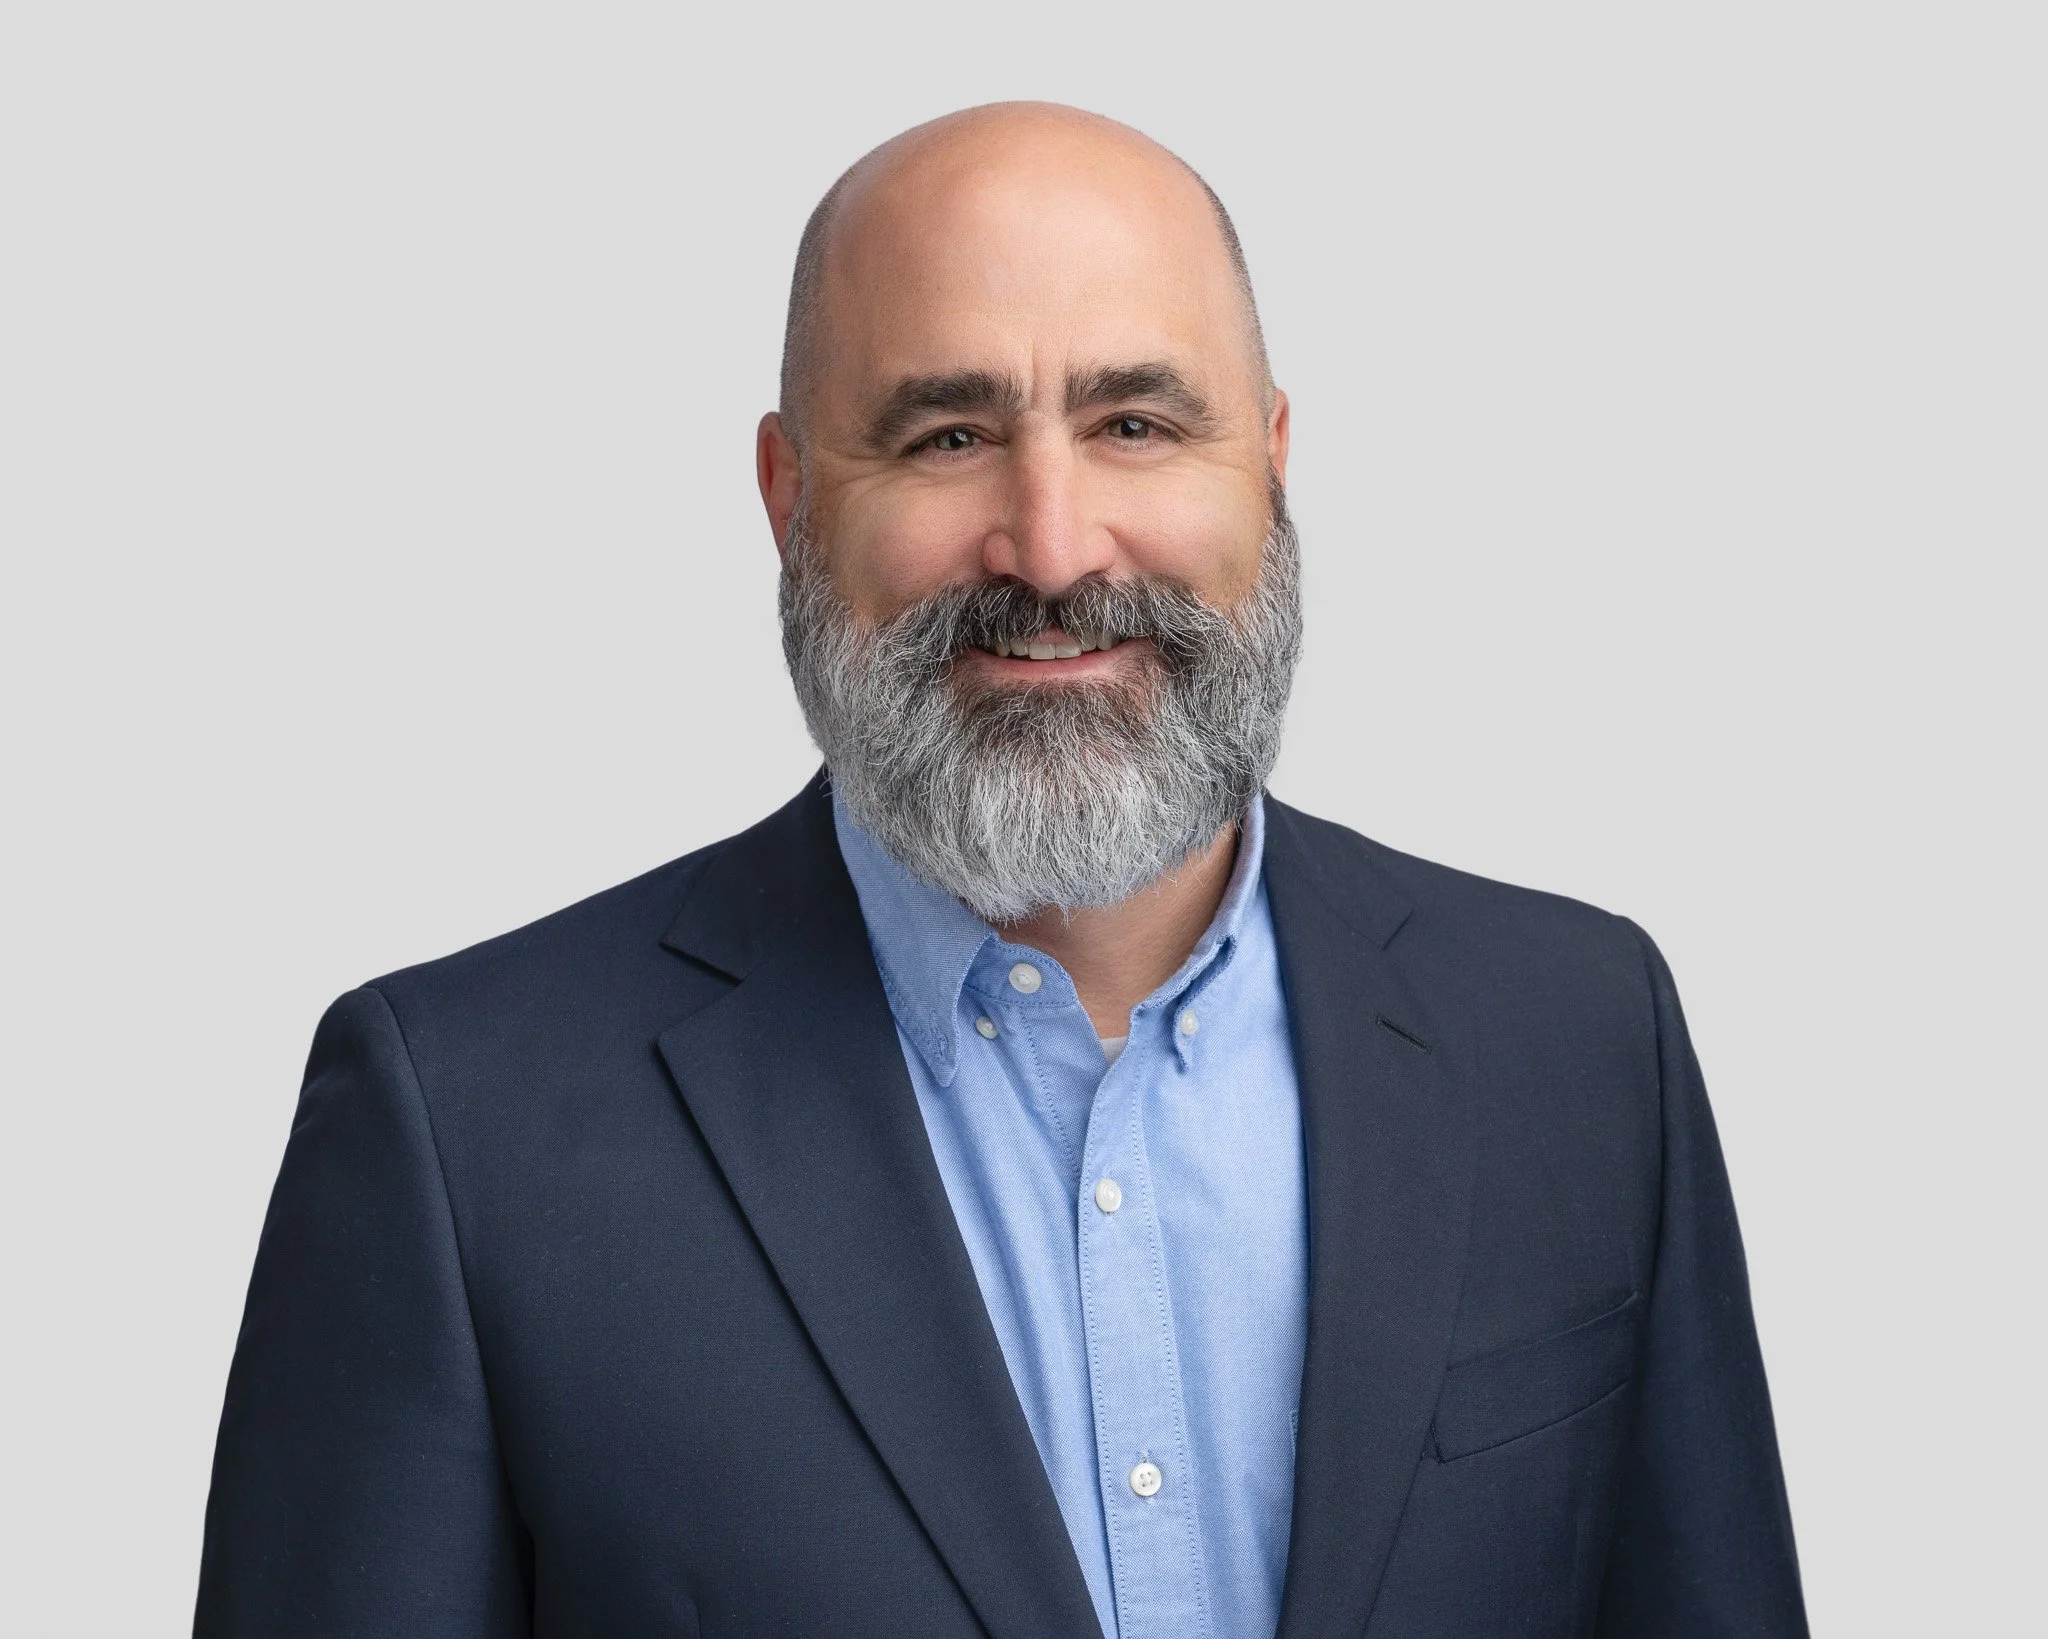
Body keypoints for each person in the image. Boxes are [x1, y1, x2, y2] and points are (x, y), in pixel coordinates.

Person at [194, 102, 1807, 1638]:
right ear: (790, 496)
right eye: (950, 433)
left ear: (1273, 461)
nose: (1051, 546)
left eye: (1136, 423)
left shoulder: (1584, 1041)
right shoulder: (460, 1128)